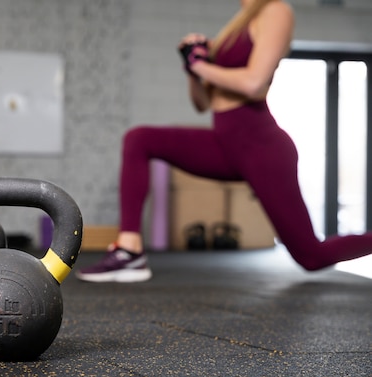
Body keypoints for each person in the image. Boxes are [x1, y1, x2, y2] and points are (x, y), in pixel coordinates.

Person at [76, 0, 372, 283]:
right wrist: (192, 68)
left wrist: (202, 65)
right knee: (139, 139)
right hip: (225, 144)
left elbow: (254, 84)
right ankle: (129, 250)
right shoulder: (238, 22)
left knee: (311, 256)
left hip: (261, 148)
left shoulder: (276, 10)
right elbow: (203, 102)